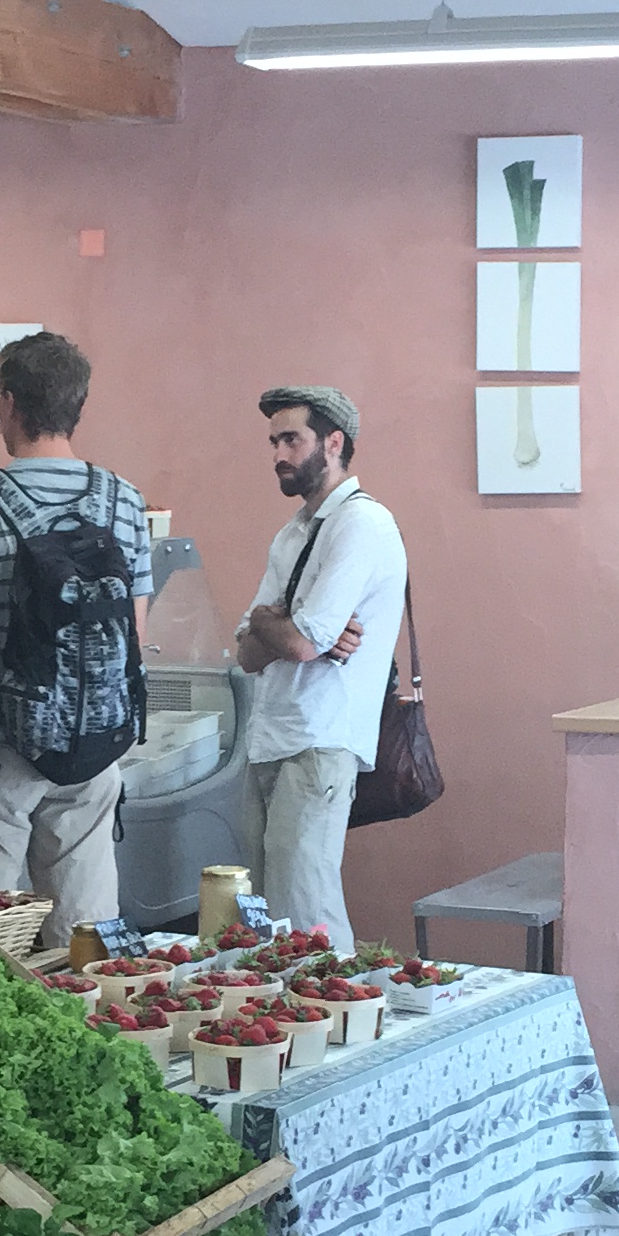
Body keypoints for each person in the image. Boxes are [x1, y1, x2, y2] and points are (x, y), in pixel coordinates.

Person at [0, 332, 164, 937]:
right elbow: (133, 629)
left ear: (8, 405)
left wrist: (1, 652)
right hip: (97, 742)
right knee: (85, 931)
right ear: (77, 405)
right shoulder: (122, 501)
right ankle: (88, 1024)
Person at [234, 384, 411, 938]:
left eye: (291, 439)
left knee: (306, 910)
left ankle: (335, 1018)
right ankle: (284, 1018)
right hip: (271, 736)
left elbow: (302, 643)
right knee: (262, 911)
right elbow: (245, 652)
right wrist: (276, 625)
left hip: (320, 739)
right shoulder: (293, 533)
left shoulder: (362, 523)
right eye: (273, 441)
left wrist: (278, 623)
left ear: (333, 442)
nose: (278, 455)